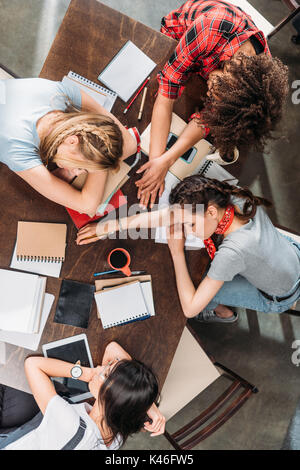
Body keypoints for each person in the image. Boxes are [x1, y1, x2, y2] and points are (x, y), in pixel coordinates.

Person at [76, 176, 300, 322]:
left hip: (278, 296)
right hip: (291, 254)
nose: (187, 231)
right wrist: (111, 226)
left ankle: (224, 313)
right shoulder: (231, 196)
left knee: (198, 289)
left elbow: (190, 308)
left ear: (211, 212)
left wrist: (176, 252)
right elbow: (169, 215)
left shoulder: (233, 253)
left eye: (190, 225)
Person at [135, 0, 289, 208]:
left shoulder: (255, 83)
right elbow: (168, 88)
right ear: (227, 73)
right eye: (214, 95)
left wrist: (166, 160)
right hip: (180, 37)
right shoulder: (210, 27)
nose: (210, 97)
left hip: (208, 59)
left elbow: (208, 118)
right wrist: (155, 163)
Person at [0, 77, 138, 215]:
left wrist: (97, 162)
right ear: (72, 141)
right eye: (81, 168)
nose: (77, 173)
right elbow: (87, 205)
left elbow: (130, 144)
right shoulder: (16, 147)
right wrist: (99, 163)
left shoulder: (59, 95)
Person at [0, 341, 165, 450]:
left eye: (105, 372)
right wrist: (147, 403)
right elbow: (112, 348)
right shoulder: (117, 435)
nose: (100, 366)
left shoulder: (70, 423)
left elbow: (33, 364)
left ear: (110, 396)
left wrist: (86, 373)